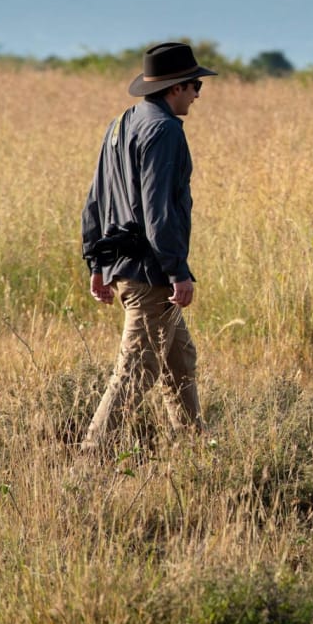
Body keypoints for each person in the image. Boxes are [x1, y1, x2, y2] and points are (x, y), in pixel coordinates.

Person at [79, 42, 217, 452]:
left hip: (124, 266)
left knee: (180, 360)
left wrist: (97, 263)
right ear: (175, 88)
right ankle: (90, 457)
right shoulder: (166, 130)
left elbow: (95, 199)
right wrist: (177, 271)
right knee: (136, 370)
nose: (197, 94)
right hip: (150, 273)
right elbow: (159, 210)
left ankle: (193, 448)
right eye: (195, 85)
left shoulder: (121, 123)